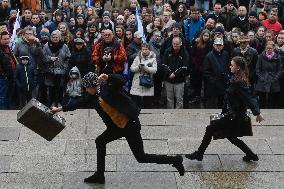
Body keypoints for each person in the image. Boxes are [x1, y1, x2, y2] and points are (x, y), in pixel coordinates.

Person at [51, 72, 185, 184]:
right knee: (100, 141)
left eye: (87, 88)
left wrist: (109, 77)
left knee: (141, 157)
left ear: (93, 86)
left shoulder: (108, 88)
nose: (85, 90)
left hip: (129, 125)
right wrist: (60, 109)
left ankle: (175, 160)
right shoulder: (92, 97)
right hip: (115, 127)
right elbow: (78, 103)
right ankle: (99, 175)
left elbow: (121, 80)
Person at [186, 56, 265, 162]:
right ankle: (251, 155)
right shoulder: (236, 78)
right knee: (231, 137)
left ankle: (199, 154)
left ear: (238, 68)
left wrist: (257, 113)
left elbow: (249, 98)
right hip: (233, 114)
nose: (230, 66)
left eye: (232, 65)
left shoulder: (239, 82)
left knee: (210, 129)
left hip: (234, 116)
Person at [130, 43, 157, 108]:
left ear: (149, 50)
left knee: (147, 105)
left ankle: (147, 117)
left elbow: (154, 70)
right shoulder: (137, 58)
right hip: (137, 83)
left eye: (146, 49)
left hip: (147, 83)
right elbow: (132, 69)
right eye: (143, 49)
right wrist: (138, 67)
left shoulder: (153, 59)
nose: (144, 51)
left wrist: (145, 68)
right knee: (136, 104)